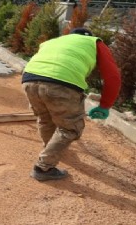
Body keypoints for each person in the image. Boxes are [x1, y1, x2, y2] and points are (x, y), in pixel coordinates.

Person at [22, 27, 121, 181]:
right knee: (70, 128)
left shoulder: (54, 41)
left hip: (29, 80)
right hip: (60, 85)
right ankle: (43, 168)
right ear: (88, 36)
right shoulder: (95, 42)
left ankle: (50, 150)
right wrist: (105, 106)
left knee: (45, 118)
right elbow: (113, 77)